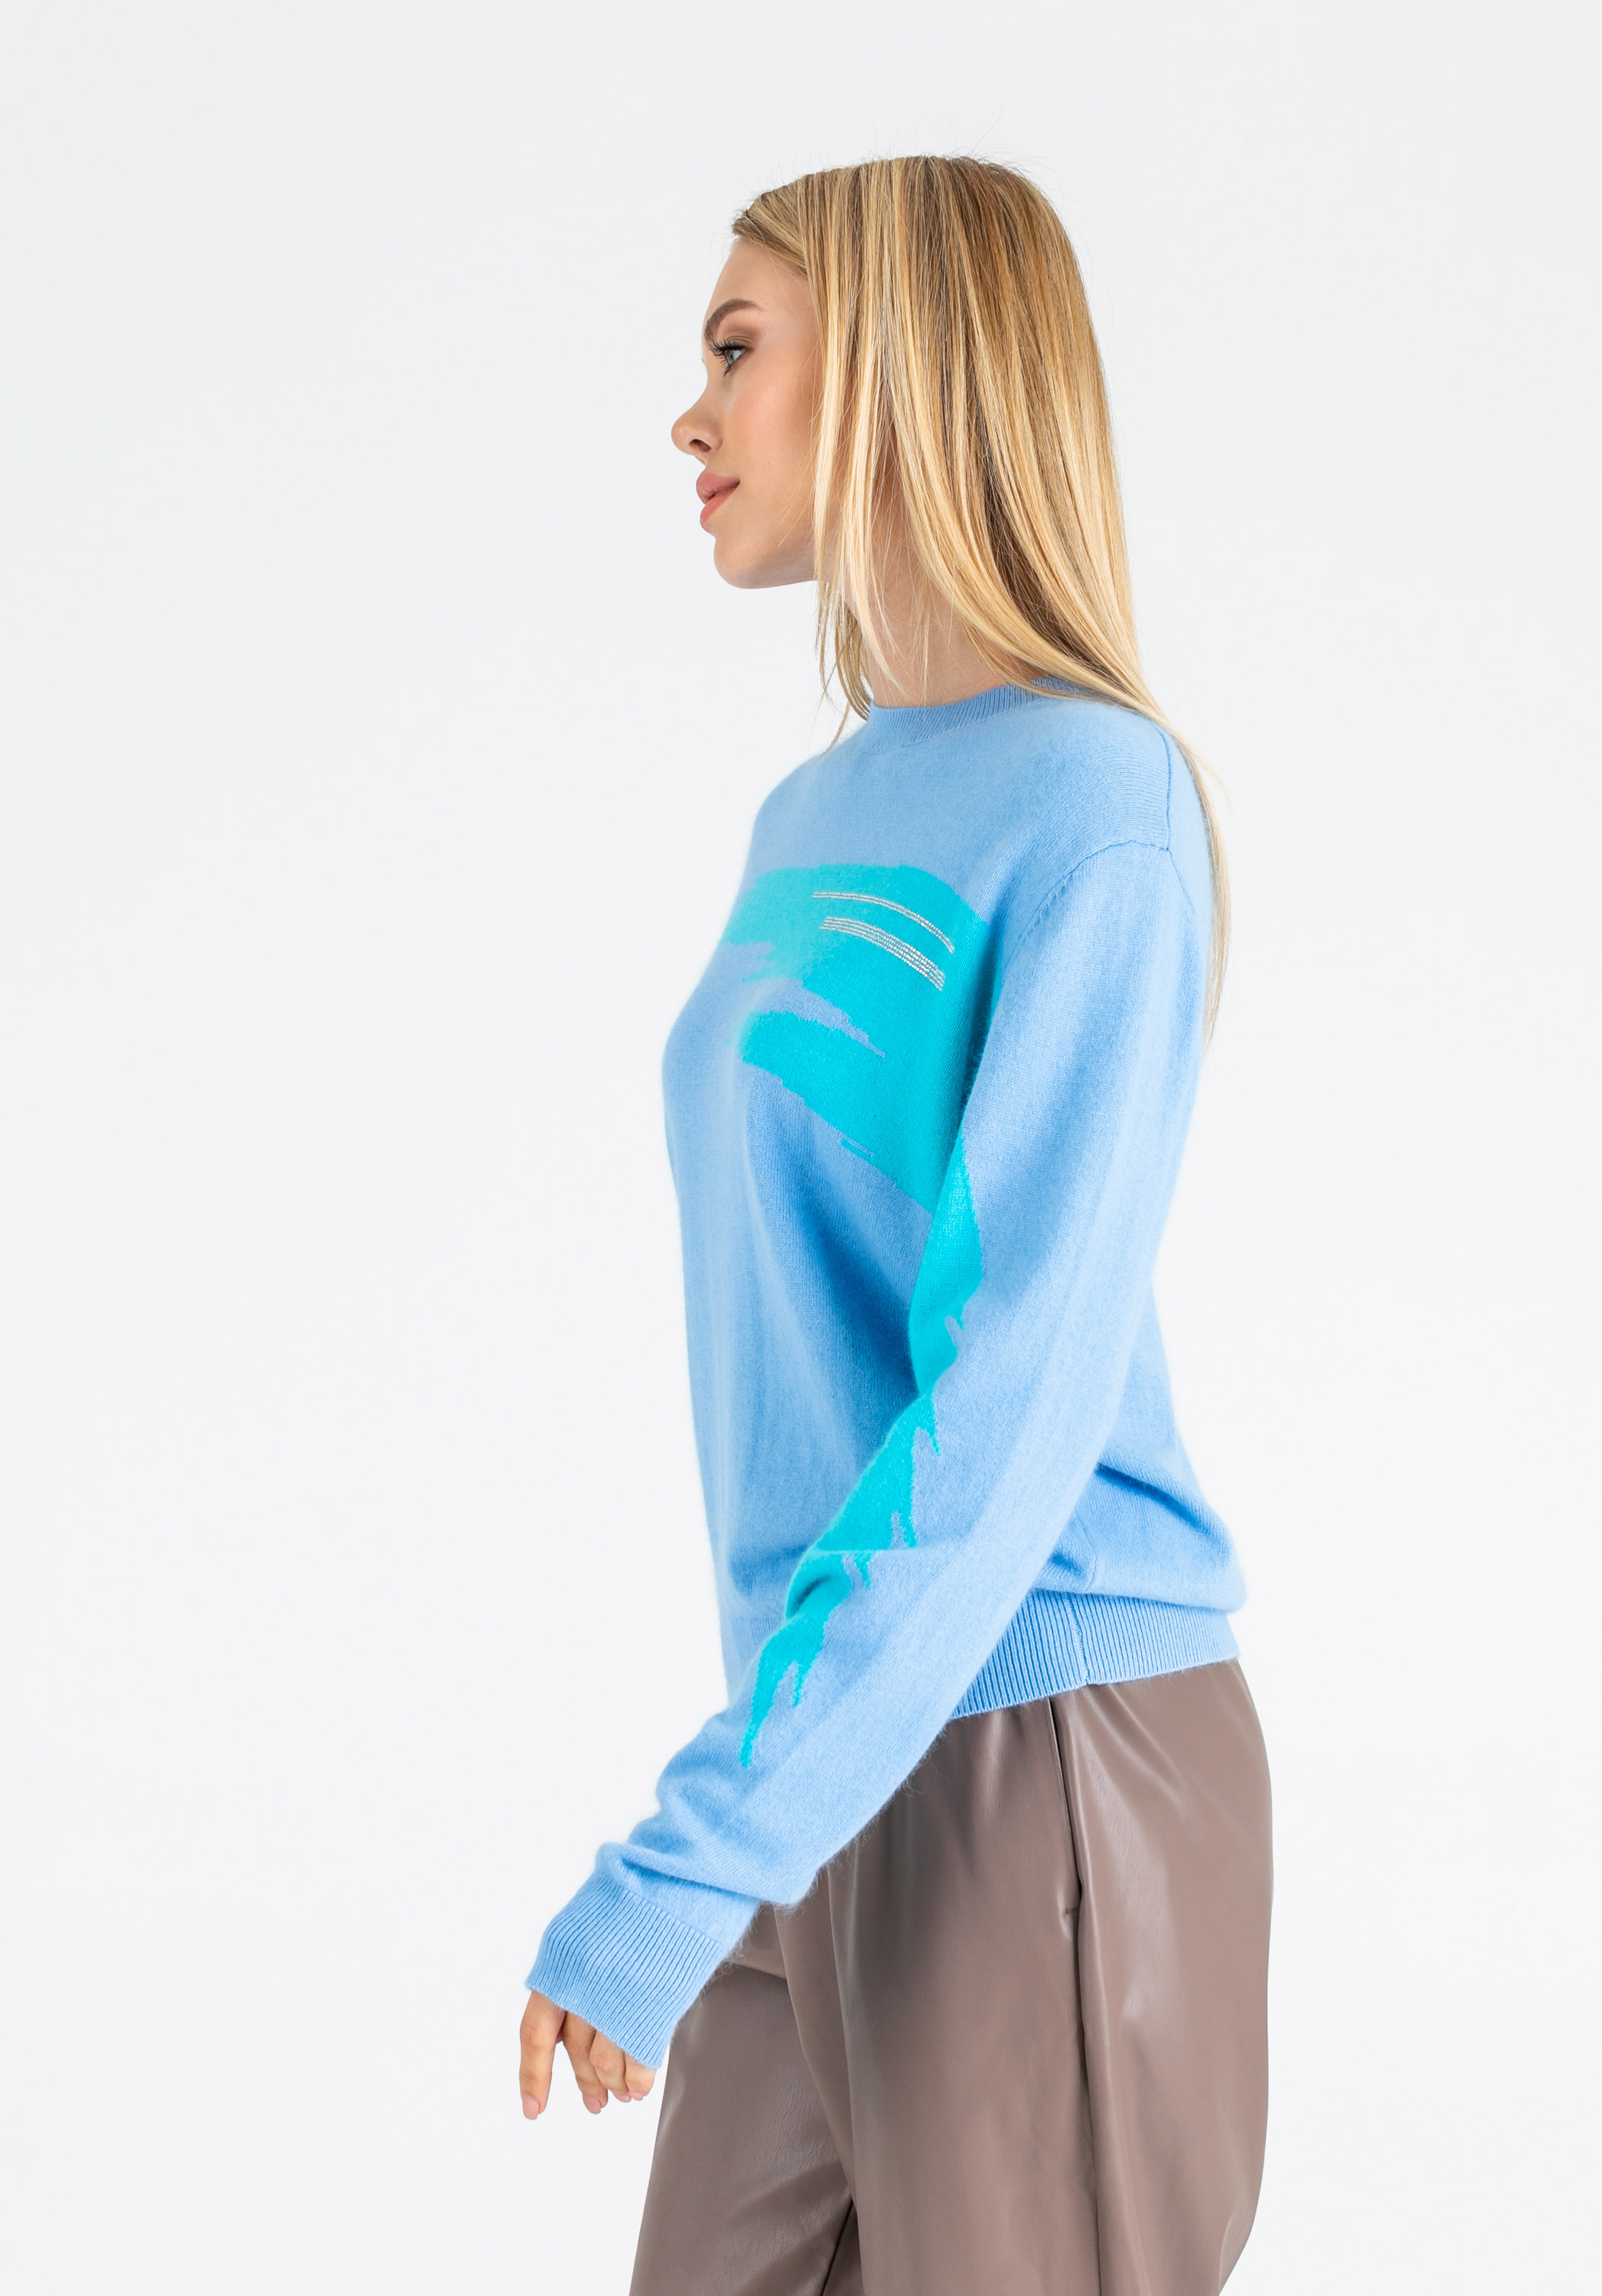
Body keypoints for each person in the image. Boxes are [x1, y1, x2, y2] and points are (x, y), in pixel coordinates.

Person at [517, 155, 1272, 2296]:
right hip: (820, 1747)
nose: (690, 414)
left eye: (736, 348)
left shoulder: (1098, 805)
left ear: (903, 373)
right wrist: (753, 1809)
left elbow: (1011, 1400)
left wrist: (683, 1865)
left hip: (1045, 1748)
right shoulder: (815, 810)